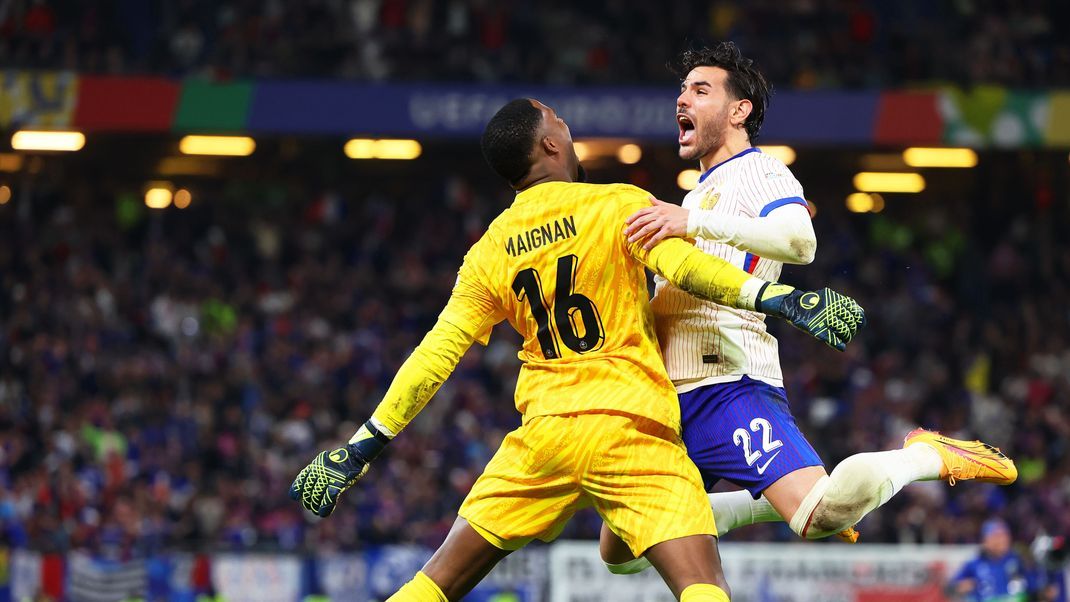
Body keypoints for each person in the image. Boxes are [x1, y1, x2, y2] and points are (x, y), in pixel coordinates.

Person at [290, 97, 865, 601]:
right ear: (550, 142)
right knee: (703, 588)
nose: (568, 129)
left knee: (435, 583)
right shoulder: (616, 204)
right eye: (560, 121)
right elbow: (687, 268)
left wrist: (360, 447)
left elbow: (436, 354)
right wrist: (782, 300)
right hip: (631, 428)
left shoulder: (489, 250)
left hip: (543, 437)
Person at [600, 41, 1018, 574]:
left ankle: (923, 456)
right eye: (681, 91)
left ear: (738, 111)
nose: (682, 100)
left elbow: (801, 242)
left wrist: (694, 226)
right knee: (622, 554)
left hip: (725, 382)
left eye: (700, 90)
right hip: (668, 396)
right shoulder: (695, 195)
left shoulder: (759, 172)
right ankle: (757, 504)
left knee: (819, 516)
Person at [949, 519, 1037, 602]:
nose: (1001, 540)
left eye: (1004, 535)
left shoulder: (1018, 559)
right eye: (996, 536)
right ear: (985, 540)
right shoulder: (975, 563)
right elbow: (950, 587)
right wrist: (960, 587)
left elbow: (1035, 586)